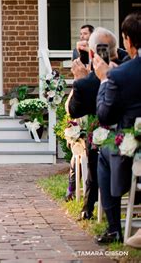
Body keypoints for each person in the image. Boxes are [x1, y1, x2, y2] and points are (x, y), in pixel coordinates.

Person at [92, 12, 141, 244]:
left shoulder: (120, 74)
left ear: (128, 41)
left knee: (103, 151)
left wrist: (104, 79)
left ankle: (114, 228)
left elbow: (104, 114)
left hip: (132, 147)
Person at [66, 27, 120, 221]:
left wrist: (79, 79)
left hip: (106, 139)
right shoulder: (128, 68)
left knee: (95, 144)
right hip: (128, 134)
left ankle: (91, 208)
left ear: (91, 53)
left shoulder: (87, 83)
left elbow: (74, 110)